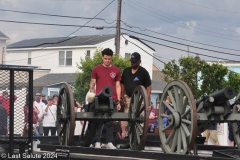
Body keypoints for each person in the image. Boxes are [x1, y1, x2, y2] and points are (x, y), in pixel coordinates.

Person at [89, 48, 121, 149]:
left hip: (112, 98)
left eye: (109, 59)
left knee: (110, 120)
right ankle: (97, 141)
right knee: (98, 120)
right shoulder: (96, 69)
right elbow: (92, 83)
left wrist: (118, 100)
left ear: (112, 58)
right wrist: (92, 93)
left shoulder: (116, 70)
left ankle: (110, 142)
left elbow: (118, 85)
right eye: (105, 58)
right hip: (99, 98)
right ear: (102, 57)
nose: (107, 61)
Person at [120, 52, 152, 139]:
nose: (133, 63)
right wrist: (122, 97)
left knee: (140, 120)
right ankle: (128, 140)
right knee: (128, 120)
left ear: (139, 61)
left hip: (140, 99)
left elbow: (148, 87)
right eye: (132, 61)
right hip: (128, 98)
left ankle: (139, 140)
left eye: (135, 62)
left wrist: (146, 100)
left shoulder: (144, 72)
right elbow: (122, 84)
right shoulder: (126, 71)